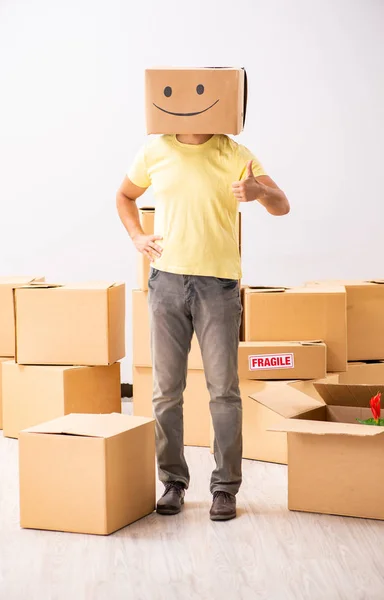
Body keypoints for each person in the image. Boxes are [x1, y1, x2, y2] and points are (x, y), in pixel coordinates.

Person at [116, 132, 289, 521]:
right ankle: (173, 483)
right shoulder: (154, 150)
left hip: (218, 286)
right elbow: (124, 195)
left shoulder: (235, 152)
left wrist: (257, 190)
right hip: (166, 283)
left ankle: (225, 488)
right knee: (165, 391)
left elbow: (283, 206)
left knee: (224, 392)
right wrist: (137, 236)